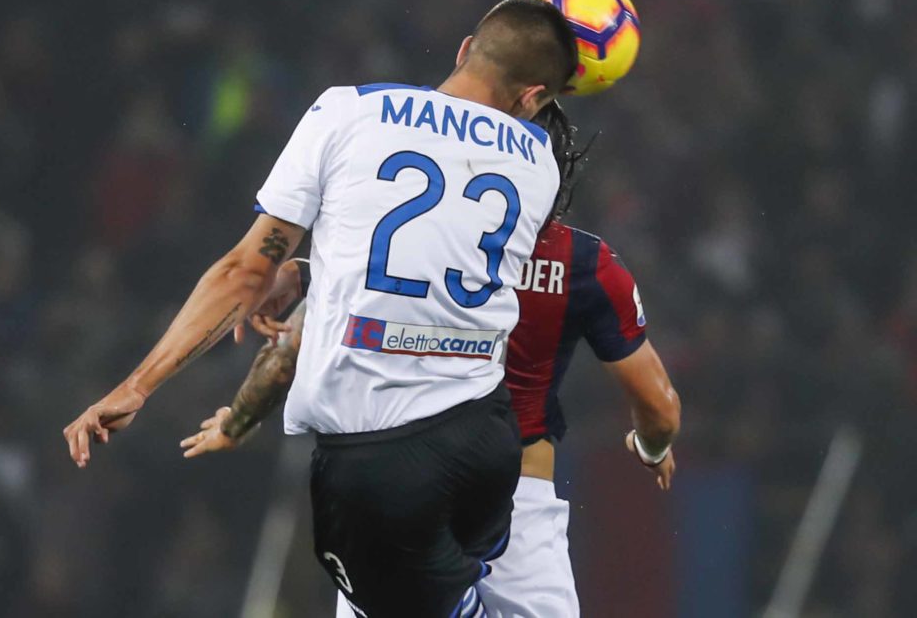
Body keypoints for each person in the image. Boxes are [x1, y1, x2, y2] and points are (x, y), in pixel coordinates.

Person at [63, 0, 577, 618]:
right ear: (533, 98)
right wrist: (311, 274)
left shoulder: (347, 112)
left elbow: (245, 271)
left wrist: (138, 385)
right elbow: (432, 262)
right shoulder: (538, 163)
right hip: (486, 442)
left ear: (465, 49)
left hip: (382, 461)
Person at [182, 102, 683, 617]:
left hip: (393, 476)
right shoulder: (586, 264)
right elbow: (660, 407)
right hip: (515, 491)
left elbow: (294, 344)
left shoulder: (406, 239)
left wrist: (240, 418)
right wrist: (651, 447)